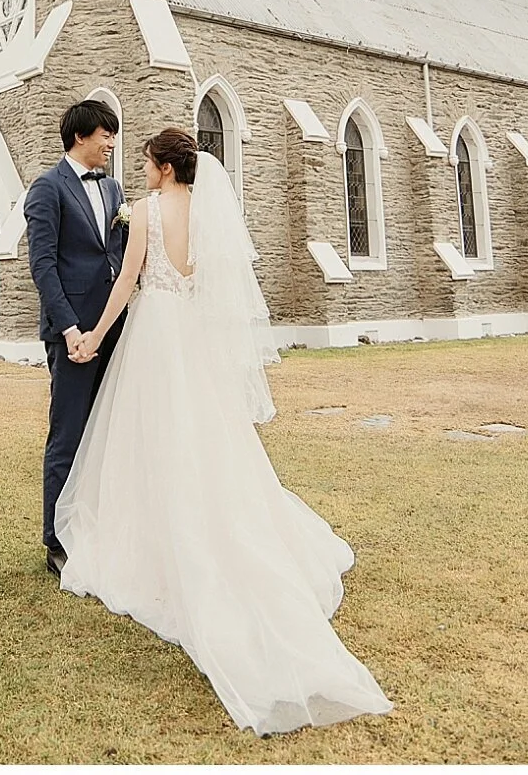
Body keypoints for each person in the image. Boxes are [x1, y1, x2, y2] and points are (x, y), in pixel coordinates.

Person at [55, 127, 392, 737]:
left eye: (150, 163)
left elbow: (129, 282)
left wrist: (97, 334)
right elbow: (211, 286)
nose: (146, 170)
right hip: (192, 336)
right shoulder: (207, 213)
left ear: (161, 168)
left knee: (148, 438)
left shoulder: (148, 212)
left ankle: (155, 535)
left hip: (154, 335)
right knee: (205, 441)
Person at [21, 99, 129, 578]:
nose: (112, 144)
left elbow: (120, 257)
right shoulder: (47, 188)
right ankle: (57, 540)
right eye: (106, 135)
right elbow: (42, 266)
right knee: (69, 434)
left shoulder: (114, 188)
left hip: (116, 327)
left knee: (109, 433)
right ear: (81, 136)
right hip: (73, 333)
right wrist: (70, 329)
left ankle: (99, 527)